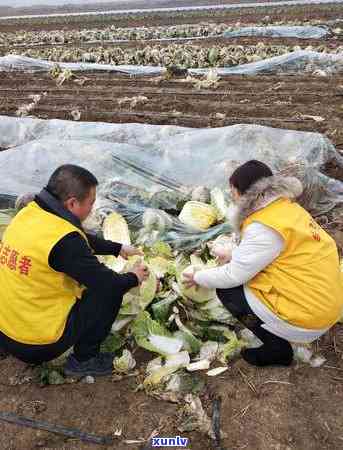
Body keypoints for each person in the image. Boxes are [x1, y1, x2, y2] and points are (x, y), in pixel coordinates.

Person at [184, 160, 343, 367]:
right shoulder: (286, 209)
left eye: (233, 190)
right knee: (245, 281)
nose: (231, 195)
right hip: (326, 302)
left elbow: (233, 276)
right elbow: (274, 252)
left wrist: (198, 276)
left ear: (245, 192)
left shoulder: (263, 227)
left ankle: (277, 349)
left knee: (229, 291)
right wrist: (233, 254)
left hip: (310, 315)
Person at [0, 164, 149, 376]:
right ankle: (85, 360)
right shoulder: (65, 242)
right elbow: (109, 283)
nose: (92, 208)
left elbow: (76, 236)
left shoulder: (29, 214)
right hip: (36, 344)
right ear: (71, 203)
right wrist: (134, 277)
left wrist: (117, 248)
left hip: (5, 331)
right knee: (107, 292)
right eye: (91, 203)